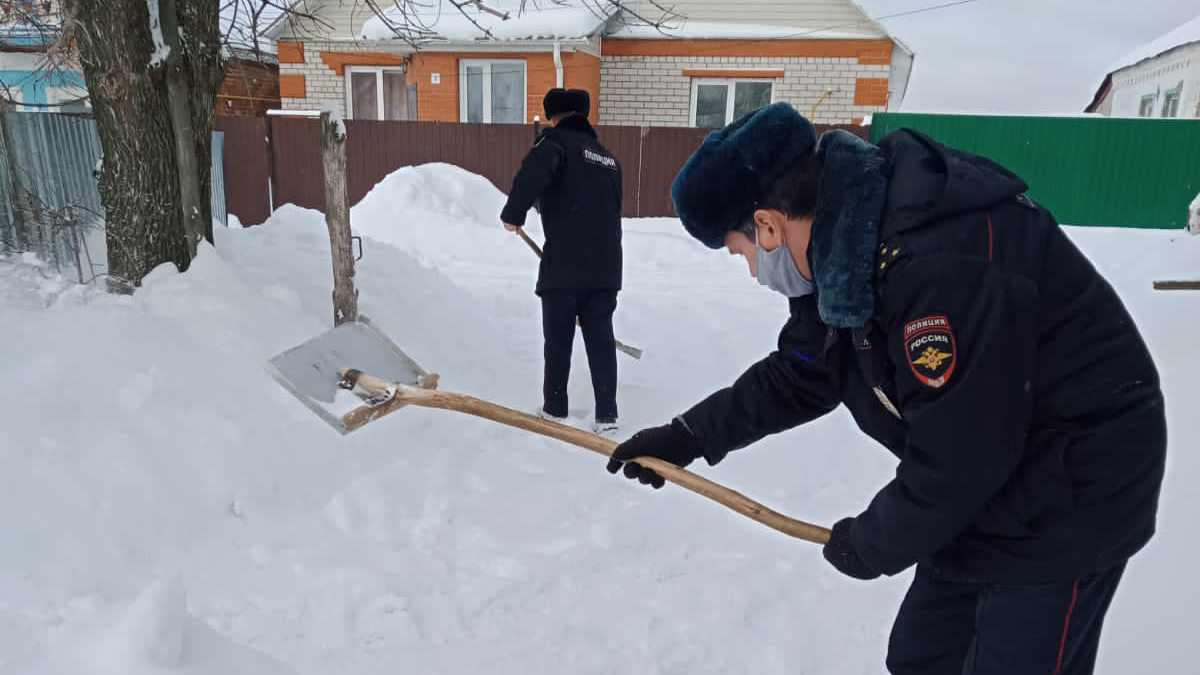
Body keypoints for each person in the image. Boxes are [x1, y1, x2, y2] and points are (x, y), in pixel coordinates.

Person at [605, 102, 1166, 675]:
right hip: (989, 483)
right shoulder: (843, 250)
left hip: (1072, 488)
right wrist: (689, 436)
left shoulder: (935, 264)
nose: (753, 270)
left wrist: (874, 541)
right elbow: (803, 370)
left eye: (742, 251)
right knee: (923, 657)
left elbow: (963, 454)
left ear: (769, 224)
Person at [501, 88, 623, 433]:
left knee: (559, 338)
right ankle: (607, 416)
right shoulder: (608, 158)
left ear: (553, 117)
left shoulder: (553, 144)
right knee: (600, 339)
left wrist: (513, 214)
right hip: (607, 266)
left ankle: (555, 409)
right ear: (584, 116)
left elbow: (531, 177)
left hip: (566, 263)